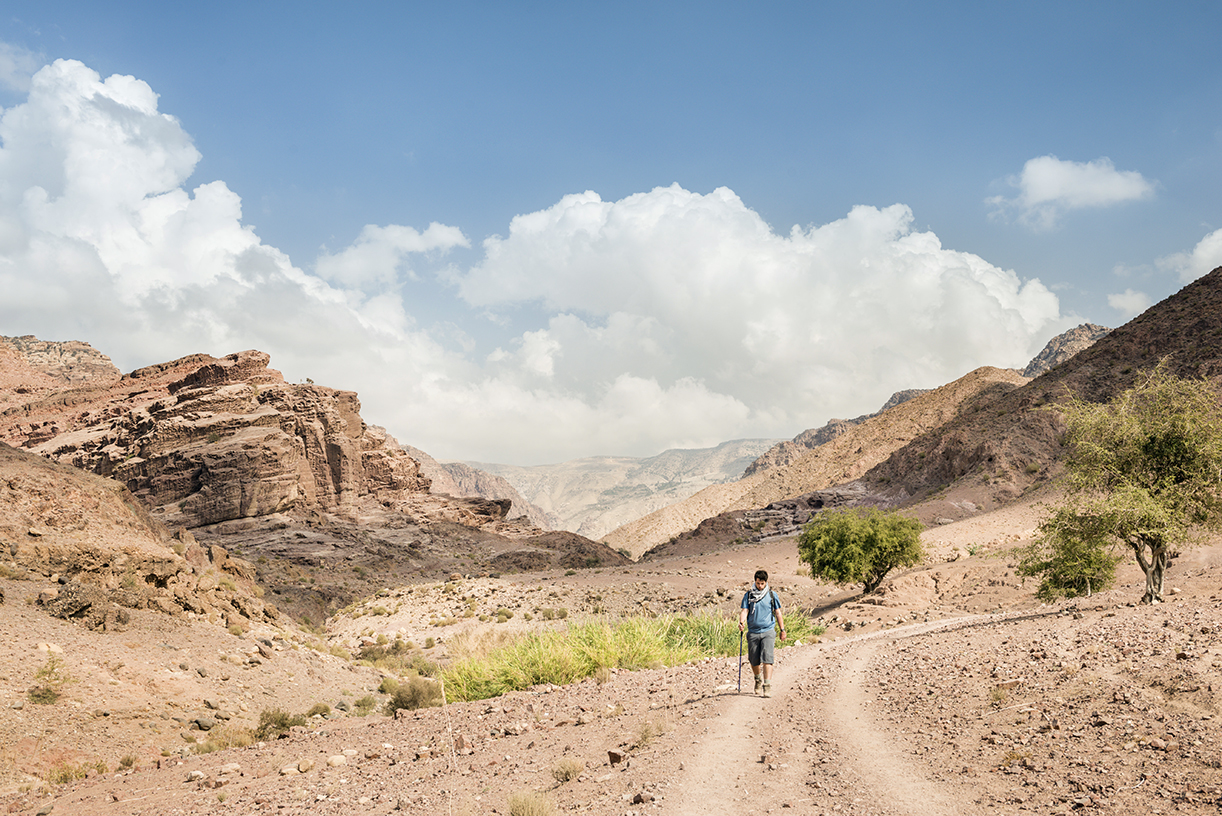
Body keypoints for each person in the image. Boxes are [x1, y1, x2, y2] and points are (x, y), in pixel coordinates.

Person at [739, 569, 785, 697]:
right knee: (754, 660)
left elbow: (778, 613)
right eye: (758, 583)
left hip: (768, 631)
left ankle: (767, 685)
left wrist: (782, 630)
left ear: (766, 582)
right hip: (753, 632)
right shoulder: (748, 595)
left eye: (762, 583)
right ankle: (757, 679)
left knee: (767, 659)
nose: (760, 586)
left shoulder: (771, 595)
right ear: (755, 581)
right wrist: (741, 622)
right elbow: (744, 611)